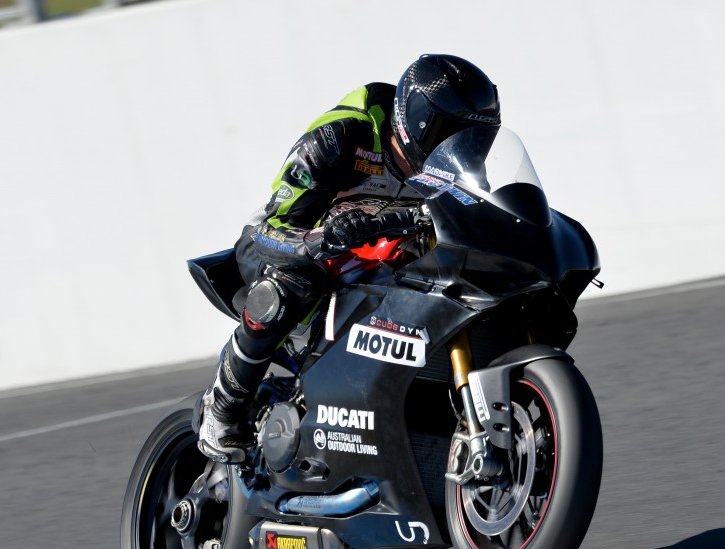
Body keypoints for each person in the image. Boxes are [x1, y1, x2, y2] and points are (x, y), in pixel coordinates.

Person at [196, 54, 502, 462]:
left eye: (472, 140)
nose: (459, 149)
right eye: (451, 134)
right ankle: (223, 408)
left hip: (373, 262)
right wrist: (319, 239)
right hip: (285, 245)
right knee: (289, 286)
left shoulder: (454, 172)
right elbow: (275, 227)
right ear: (417, 121)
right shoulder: (343, 137)